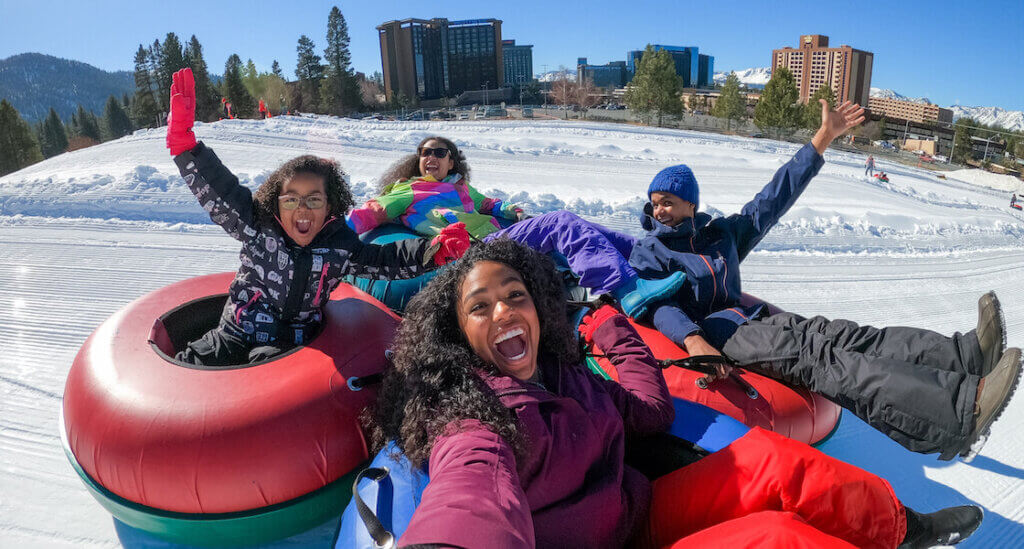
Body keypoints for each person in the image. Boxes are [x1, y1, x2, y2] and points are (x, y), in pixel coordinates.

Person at [368, 238, 983, 548]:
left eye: (516, 295)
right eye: (481, 306)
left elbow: (651, 410)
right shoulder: (471, 414)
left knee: (773, 462)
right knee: (777, 538)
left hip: (635, 511)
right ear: (458, 331)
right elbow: (473, 495)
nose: (503, 310)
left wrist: (611, 330)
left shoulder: (561, 372)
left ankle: (897, 528)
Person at [629, 100, 1022, 461]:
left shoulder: (722, 234)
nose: (660, 210)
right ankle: (959, 413)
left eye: (669, 201)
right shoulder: (651, 251)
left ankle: (966, 355)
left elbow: (772, 198)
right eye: (656, 202)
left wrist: (822, 138)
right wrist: (693, 338)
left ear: (691, 204)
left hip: (755, 318)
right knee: (826, 360)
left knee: (849, 336)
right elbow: (657, 303)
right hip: (721, 332)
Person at [165, 68, 470, 365]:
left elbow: (385, 261)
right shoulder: (257, 227)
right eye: (291, 199)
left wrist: (432, 250)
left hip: (290, 344)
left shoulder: (340, 246)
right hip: (237, 329)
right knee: (193, 362)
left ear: (330, 206)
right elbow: (223, 192)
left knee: (271, 384)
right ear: (276, 202)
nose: (302, 209)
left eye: (313, 200)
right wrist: (186, 147)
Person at [347, 136, 524, 239]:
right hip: (467, 247)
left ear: (451, 163)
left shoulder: (461, 186)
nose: (432, 157)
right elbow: (375, 210)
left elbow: (489, 204)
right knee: (552, 225)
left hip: (496, 235)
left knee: (550, 225)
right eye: (426, 153)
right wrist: (337, 231)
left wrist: (516, 211)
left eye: (439, 153)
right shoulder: (411, 189)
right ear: (420, 161)